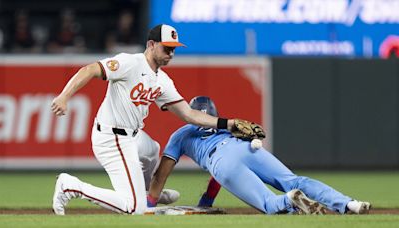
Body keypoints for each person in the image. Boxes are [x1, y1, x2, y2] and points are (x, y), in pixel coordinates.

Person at [51, 24, 256, 215]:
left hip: (133, 135)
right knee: (134, 208)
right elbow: (89, 69)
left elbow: (189, 114)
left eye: (174, 49)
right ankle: (70, 186)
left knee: (151, 150)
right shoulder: (130, 63)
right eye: (167, 48)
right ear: (151, 45)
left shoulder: (162, 80)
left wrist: (228, 123)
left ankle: (148, 192)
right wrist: (64, 96)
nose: (171, 54)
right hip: (112, 138)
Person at [147, 96, 371, 215]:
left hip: (221, 161)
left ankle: (288, 199)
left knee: (268, 203)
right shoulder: (225, 125)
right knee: (294, 179)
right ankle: (349, 204)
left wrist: (149, 204)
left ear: (192, 114)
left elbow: (160, 176)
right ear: (214, 114)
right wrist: (207, 200)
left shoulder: (181, 135)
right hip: (246, 147)